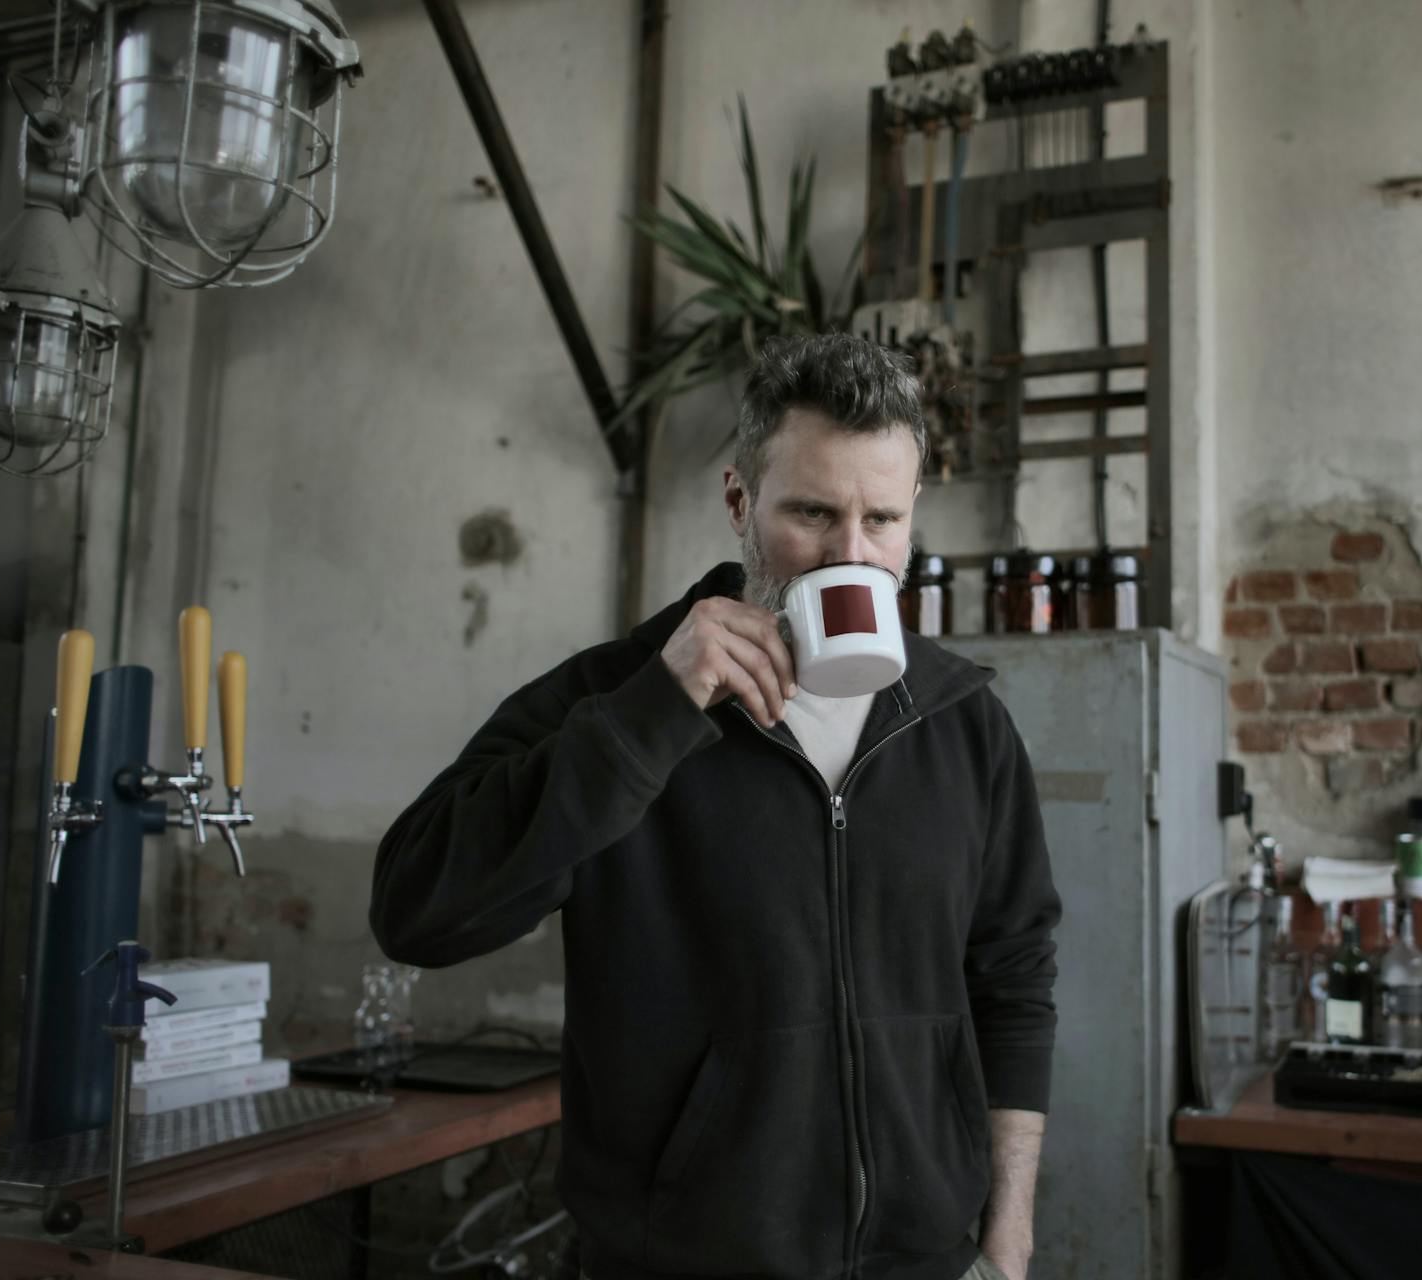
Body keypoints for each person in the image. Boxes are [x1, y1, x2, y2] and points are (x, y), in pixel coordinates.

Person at [371, 333, 1062, 1280]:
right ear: (740, 500)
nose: (849, 556)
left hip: (924, 1263)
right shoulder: (613, 698)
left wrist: (1008, 1230)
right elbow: (416, 909)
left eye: (883, 522)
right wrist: (652, 716)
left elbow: (1014, 978)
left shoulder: (965, 723)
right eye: (813, 513)